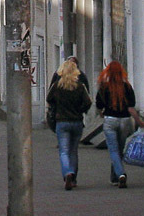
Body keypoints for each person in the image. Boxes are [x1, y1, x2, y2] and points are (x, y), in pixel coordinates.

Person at [96, 60, 144, 189]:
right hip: (125, 121)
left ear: (108, 72)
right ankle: (115, 177)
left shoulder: (104, 87)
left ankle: (121, 174)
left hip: (110, 120)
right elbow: (131, 108)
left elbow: (99, 106)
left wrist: (102, 113)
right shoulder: (127, 87)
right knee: (119, 149)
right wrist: (139, 121)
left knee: (113, 150)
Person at [46, 57, 92, 190]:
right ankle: (74, 178)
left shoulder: (57, 86)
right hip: (77, 121)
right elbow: (88, 102)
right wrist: (80, 110)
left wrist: (56, 109)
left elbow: (49, 99)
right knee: (73, 151)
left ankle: (67, 173)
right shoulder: (80, 87)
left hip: (62, 122)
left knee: (64, 151)